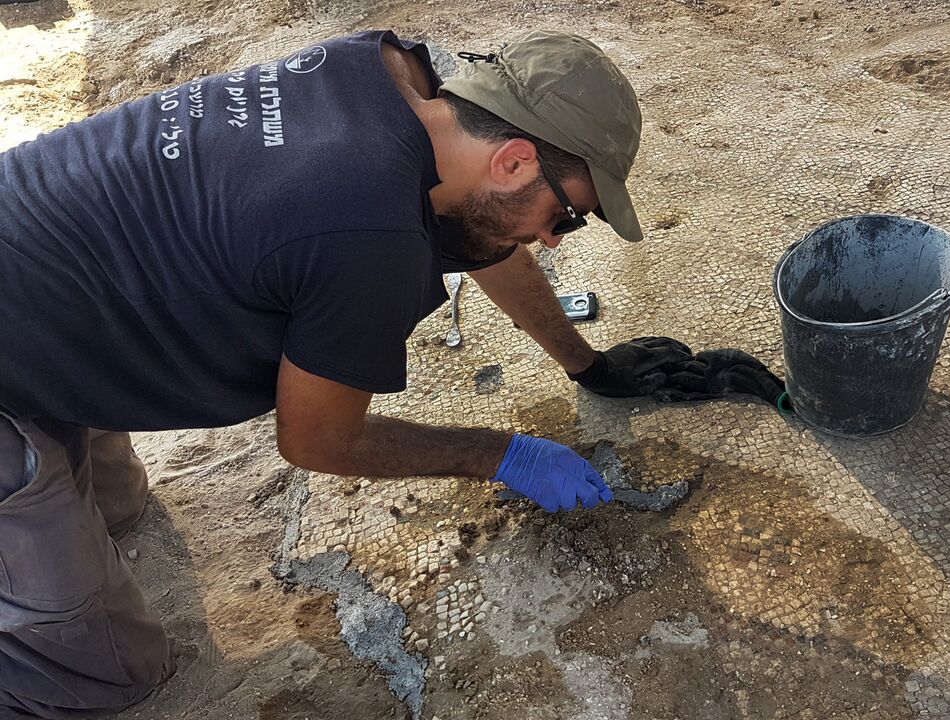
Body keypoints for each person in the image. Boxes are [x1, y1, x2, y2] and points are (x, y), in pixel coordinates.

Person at [0, 29, 698, 718]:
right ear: (514, 161)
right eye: (568, 216)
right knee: (100, 671)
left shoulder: (389, 73)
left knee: (116, 505)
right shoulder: (366, 234)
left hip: (48, 273)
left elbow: (487, 235)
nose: (551, 238)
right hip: (15, 356)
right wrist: (504, 455)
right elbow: (317, 441)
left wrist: (587, 364)